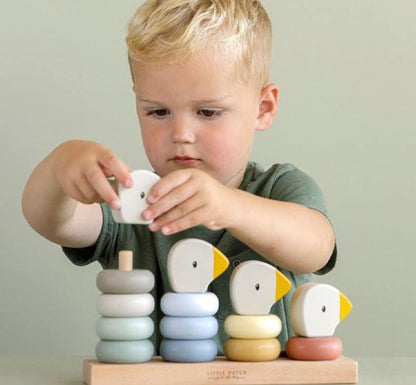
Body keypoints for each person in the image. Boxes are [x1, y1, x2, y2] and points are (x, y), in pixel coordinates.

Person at [22, 0, 336, 354]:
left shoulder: (280, 189)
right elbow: (52, 221)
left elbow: (316, 248)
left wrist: (230, 207)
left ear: (263, 109)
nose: (181, 133)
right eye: (158, 111)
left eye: (208, 111)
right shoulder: (134, 202)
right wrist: (58, 169)